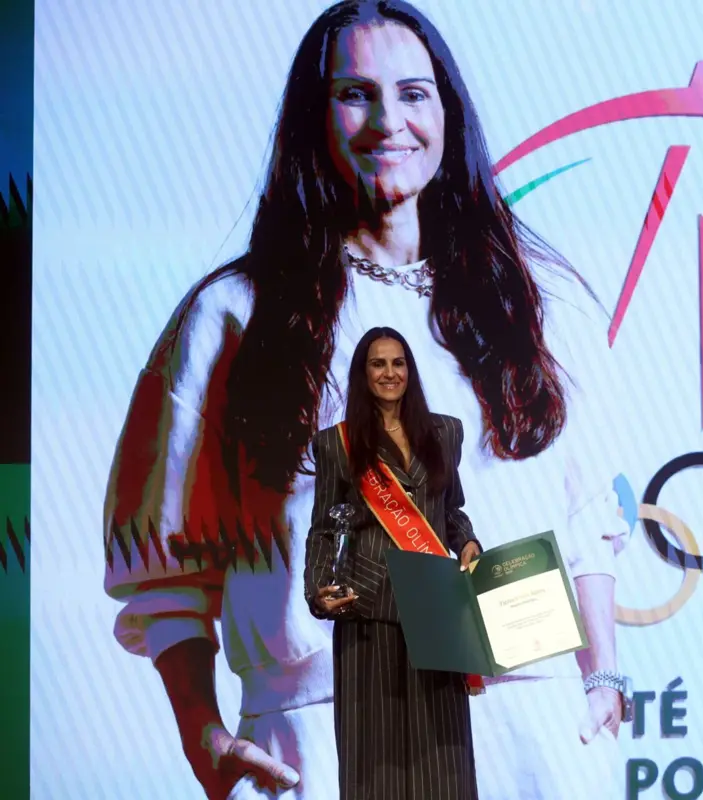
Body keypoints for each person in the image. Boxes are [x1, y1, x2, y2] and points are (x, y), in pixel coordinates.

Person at [101, 1, 628, 798]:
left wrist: (604, 681)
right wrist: (203, 734)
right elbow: (167, 568)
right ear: (314, 119)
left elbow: (586, 522)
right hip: (323, 735)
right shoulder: (234, 313)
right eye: (357, 93)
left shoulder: (530, 300)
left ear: (448, 113)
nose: (390, 120)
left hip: (530, 734)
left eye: (415, 93)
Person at [304, 327, 480, 799]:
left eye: (398, 363)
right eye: (378, 364)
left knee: (443, 762)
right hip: (368, 614)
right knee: (373, 763)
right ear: (363, 374)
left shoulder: (444, 432)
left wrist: (467, 544)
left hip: (436, 613)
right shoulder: (337, 444)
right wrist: (319, 590)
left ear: (410, 370)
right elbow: (323, 528)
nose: (389, 373)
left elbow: (452, 511)